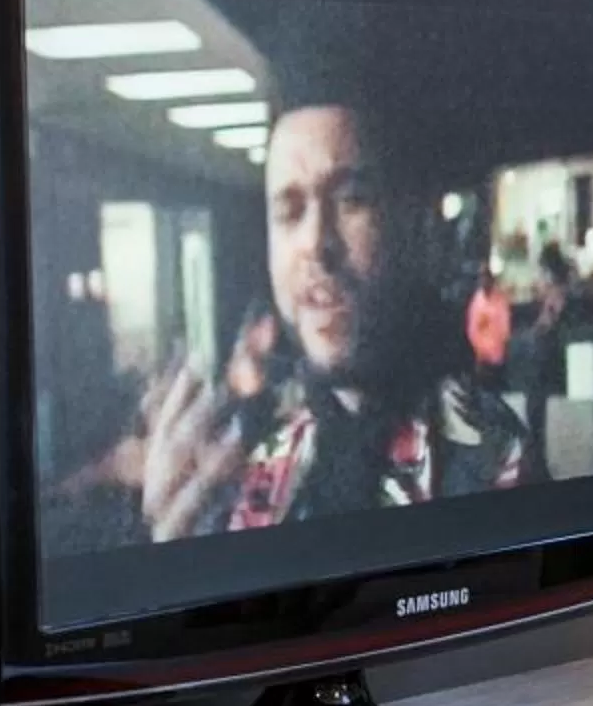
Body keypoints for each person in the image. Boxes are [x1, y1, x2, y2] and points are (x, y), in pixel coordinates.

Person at [140, 95, 528, 539]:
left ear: (414, 226)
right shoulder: (244, 469)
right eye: (288, 211)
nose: (315, 243)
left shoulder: (495, 460)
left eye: (352, 200)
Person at [465, 264, 513, 387]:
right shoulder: (476, 301)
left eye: (486, 277)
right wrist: (480, 351)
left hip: (498, 356)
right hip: (482, 358)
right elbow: (472, 331)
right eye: (481, 277)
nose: (484, 281)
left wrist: (501, 347)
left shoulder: (500, 300)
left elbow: (505, 328)